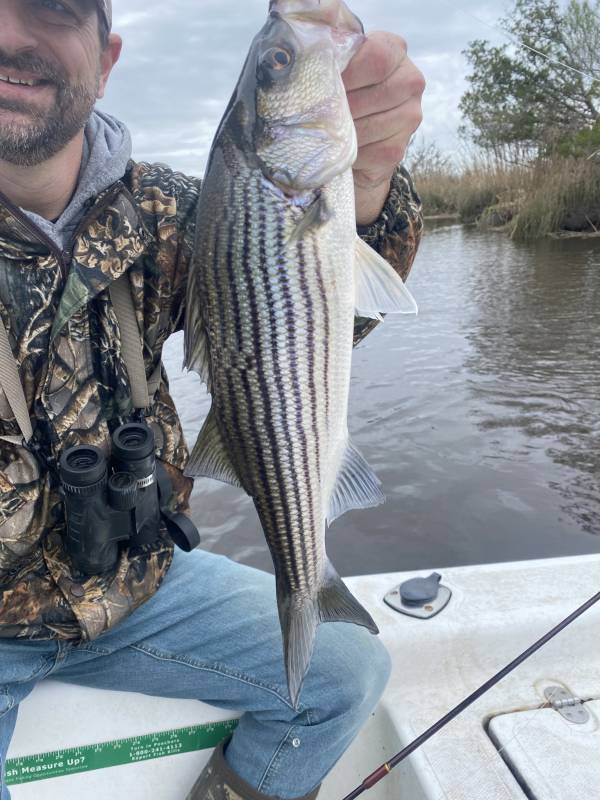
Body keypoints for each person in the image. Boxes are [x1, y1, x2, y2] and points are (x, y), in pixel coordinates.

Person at [0, 1, 425, 798]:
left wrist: (367, 187)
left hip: (140, 586)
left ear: (107, 59)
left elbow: (305, 332)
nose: (8, 36)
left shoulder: (171, 210)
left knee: (344, 671)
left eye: (51, 11)